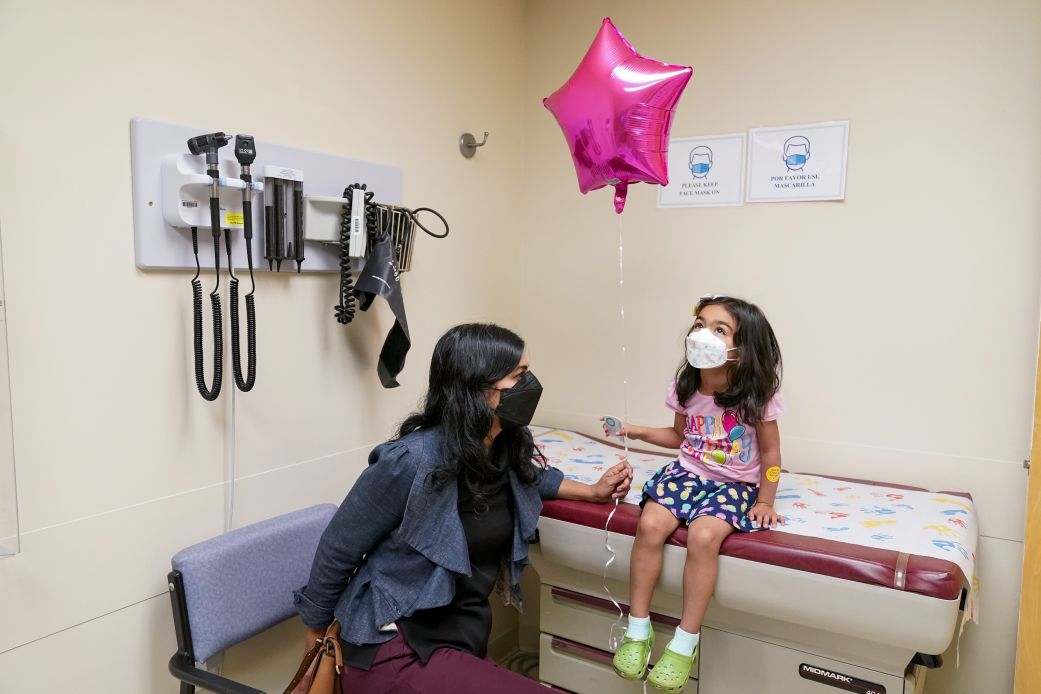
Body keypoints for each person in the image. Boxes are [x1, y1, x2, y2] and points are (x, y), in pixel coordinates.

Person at [294, 323, 633, 692]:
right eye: (519, 375)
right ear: (477, 386)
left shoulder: (501, 447)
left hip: (456, 636)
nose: (530, 384)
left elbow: (529, 477)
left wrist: (593, 492)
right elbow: (338, 548)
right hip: (392, 643)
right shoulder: (410, 461)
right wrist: (316, 638)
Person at [609, 296, 785, 693]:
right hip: (688, 473)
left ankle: (684, 644)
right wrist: (635, 430)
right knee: (649, 525)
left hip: (735, 484)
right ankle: (638, 630)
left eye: (720, 330)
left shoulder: (756, 396)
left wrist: (765, 500)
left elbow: (772, 455)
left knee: (704, 536)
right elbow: (678, 436)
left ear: (743, 348)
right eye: (700, 325)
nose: (703, 334)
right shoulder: (687, 386)